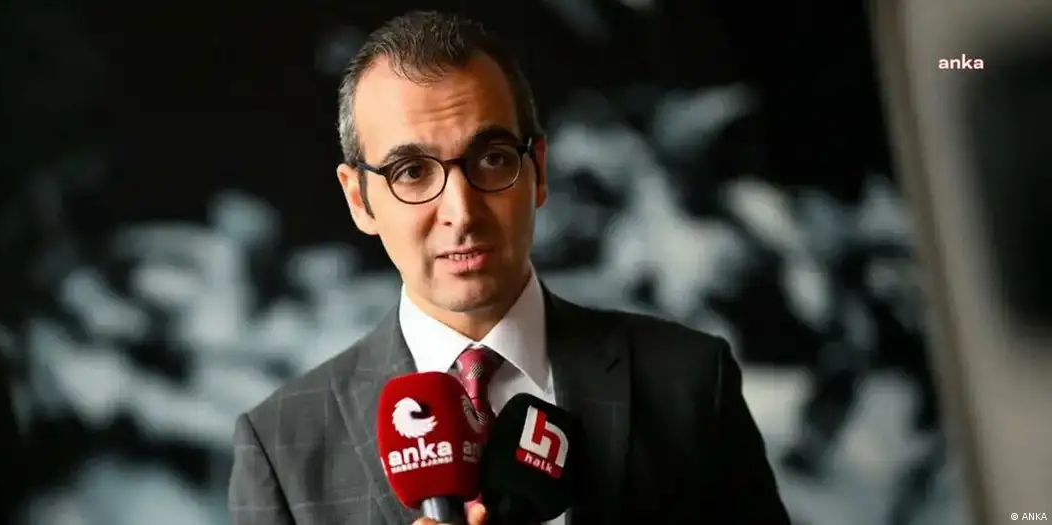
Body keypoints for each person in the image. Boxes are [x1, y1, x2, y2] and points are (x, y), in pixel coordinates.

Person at [228, 11, 790, 525]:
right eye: (412, 172)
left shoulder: (692, 382)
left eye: (492, 159)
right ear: (359, 200)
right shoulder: (280, 447)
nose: (461, 212)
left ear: (538, 171)